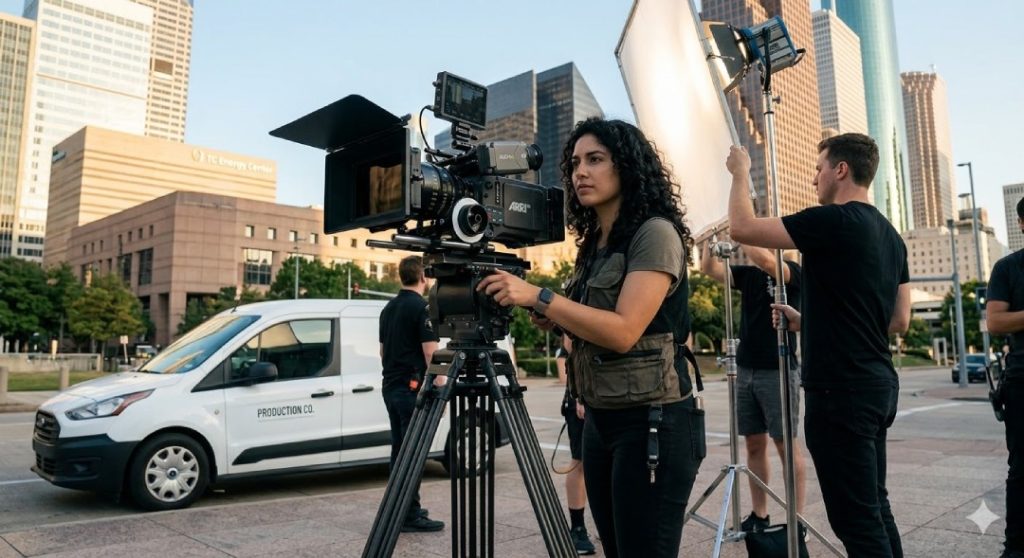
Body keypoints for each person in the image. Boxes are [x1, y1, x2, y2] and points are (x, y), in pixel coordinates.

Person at [477, 117, 705, 557]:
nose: (580, 172)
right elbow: (594, 322)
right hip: (601, 418)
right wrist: (556, 318)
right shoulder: (594, 244)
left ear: (627, 166)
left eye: (595, 160)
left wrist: (541, 297)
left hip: (652, 421)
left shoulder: (654, 233)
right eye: (575, 163)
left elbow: (624, 331)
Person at [726, 133, 910, 557]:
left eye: (818, 168)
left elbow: (742, 228)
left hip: (840, 391)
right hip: (878, 384)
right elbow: (898, 320)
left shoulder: (834, 220)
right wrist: (808, 322)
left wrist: (740, 173)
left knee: (856, 521)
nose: (814, 178)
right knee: (875, 506)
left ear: (840, 170)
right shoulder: (891, 236)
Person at [700, 242, 807, 532]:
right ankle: (760, 516)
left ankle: (797, 523)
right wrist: (708, 239)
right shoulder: (750, 275)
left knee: (785, 444)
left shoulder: (792, 271)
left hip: (778, 369)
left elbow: (769, 262)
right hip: (746, 368)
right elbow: (709, 269)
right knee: (754, 444)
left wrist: (739, 230)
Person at [379, 255, 444, 533]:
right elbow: (430, 353)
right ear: (423, 277)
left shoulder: (388, 308)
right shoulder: (423, 307)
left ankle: (401, 507)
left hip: (391, 387)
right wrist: (441, 383)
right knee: (413, 453)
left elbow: (382, 351)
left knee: (400, 450)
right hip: (411, 389)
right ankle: (410, 515)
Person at [984, 196, 1024, 558]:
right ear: (1021, 224)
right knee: (1022, 468)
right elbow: (995, 322)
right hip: (1023, 380)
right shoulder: (1008, 267)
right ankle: (1015, 548)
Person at [557, 335, 596, 555]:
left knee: (615, 461)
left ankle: (612, 523)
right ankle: (578, 528)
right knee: (579, 462)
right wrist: (580, 394)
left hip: (614, 393)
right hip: (583, 394)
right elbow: (570, 345)